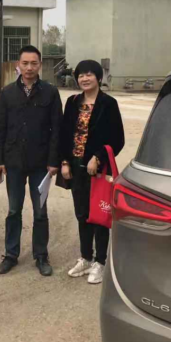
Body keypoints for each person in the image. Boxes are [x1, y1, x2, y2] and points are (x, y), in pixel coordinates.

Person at [0, 45, 63, 277]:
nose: (29, 67)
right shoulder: (7, 93)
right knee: (14, 210)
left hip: (41, 164)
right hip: (13, 162)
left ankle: (41, 255)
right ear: (18, 65)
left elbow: (57, 130)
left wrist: (54, 161)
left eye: (34, 63)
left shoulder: (50, 93)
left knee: (40, 211)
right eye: (25, 63)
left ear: (39, 65)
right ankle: (10, 254)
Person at [59, 60, 124, 284]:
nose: (85, 79)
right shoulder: (72, 102)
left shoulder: (109, 104)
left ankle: (100, 262)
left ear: (98, 77)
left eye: (89, 74)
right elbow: (65, 135)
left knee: (99, 215)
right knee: (82, 214)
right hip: (75, 166)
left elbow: (118, 139)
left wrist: (97, 157)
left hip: (97, 170)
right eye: (81, 75)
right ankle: (86, 258)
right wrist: (64, 161)